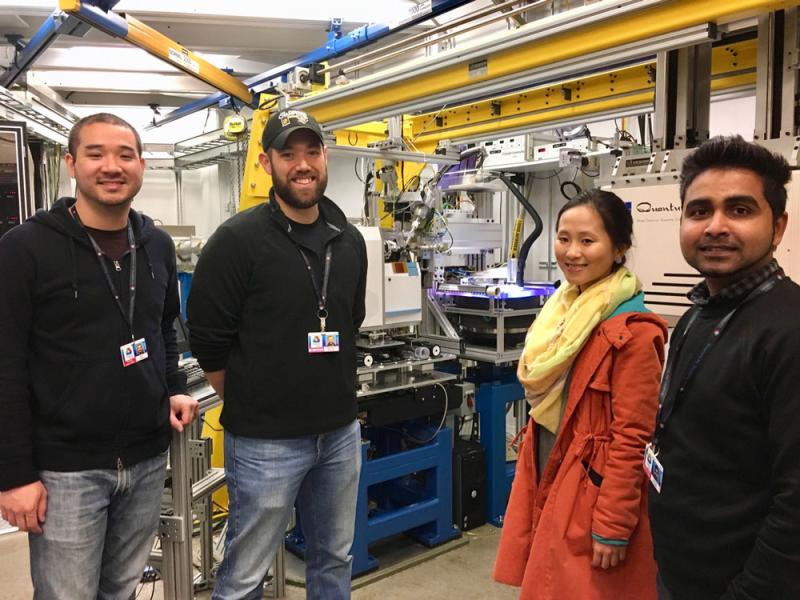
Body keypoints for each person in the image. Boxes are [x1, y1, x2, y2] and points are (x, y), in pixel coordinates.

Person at [0, 112, 197, 599]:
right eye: (95, 154)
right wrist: (15, 475)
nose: (112, 166)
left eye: (125, 155)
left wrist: (173, 386)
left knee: (121, 590)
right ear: (70, 163)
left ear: (141, 166)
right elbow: (5, 368)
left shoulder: (156, 245)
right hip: (67, 470)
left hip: (147, 460)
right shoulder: (25, 249)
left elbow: (164, 329)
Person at [187, 109, 367, 600]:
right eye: (288, 154)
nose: (302, 164)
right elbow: (207, 341)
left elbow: (351, 318)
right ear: (267, 163)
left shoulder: (349, 241)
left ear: (325, 156)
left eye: (312, 151)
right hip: (266, 443)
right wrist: (256, 401)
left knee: (334, 560)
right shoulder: (237, 240)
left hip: (338, 435)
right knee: (246, 574)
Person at [494, 189, 667, 600]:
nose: (572, 252)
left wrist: (613, 523)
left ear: (619, 247)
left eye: (587, 241)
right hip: (552, 465)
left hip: (592, 490)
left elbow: (633, 437)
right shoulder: (563, 307)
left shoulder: (635, 333)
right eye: (563, 238)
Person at [649, 135, 800, 599]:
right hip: (681, 572)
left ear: (778, 227)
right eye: (699, 211)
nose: (715, 226)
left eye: (739, 210)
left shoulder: (789, 331)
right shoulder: (698, 313)